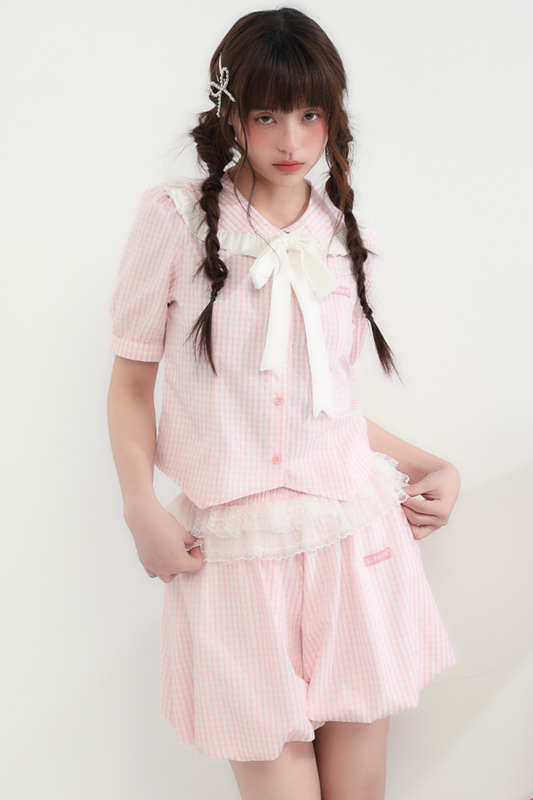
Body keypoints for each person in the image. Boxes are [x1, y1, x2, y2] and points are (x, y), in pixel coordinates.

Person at [107, 8, 460, 800]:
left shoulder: (342, 230)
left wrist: (429, 464)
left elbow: (323, 406)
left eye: (310, 115)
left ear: (332, 115)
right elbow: (130, 381)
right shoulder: (175, 219)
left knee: (358, 791)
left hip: (350, 539)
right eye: (267, 116)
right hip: (235, 555)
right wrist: (139, 506)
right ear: (231, 113)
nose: (291, 140)